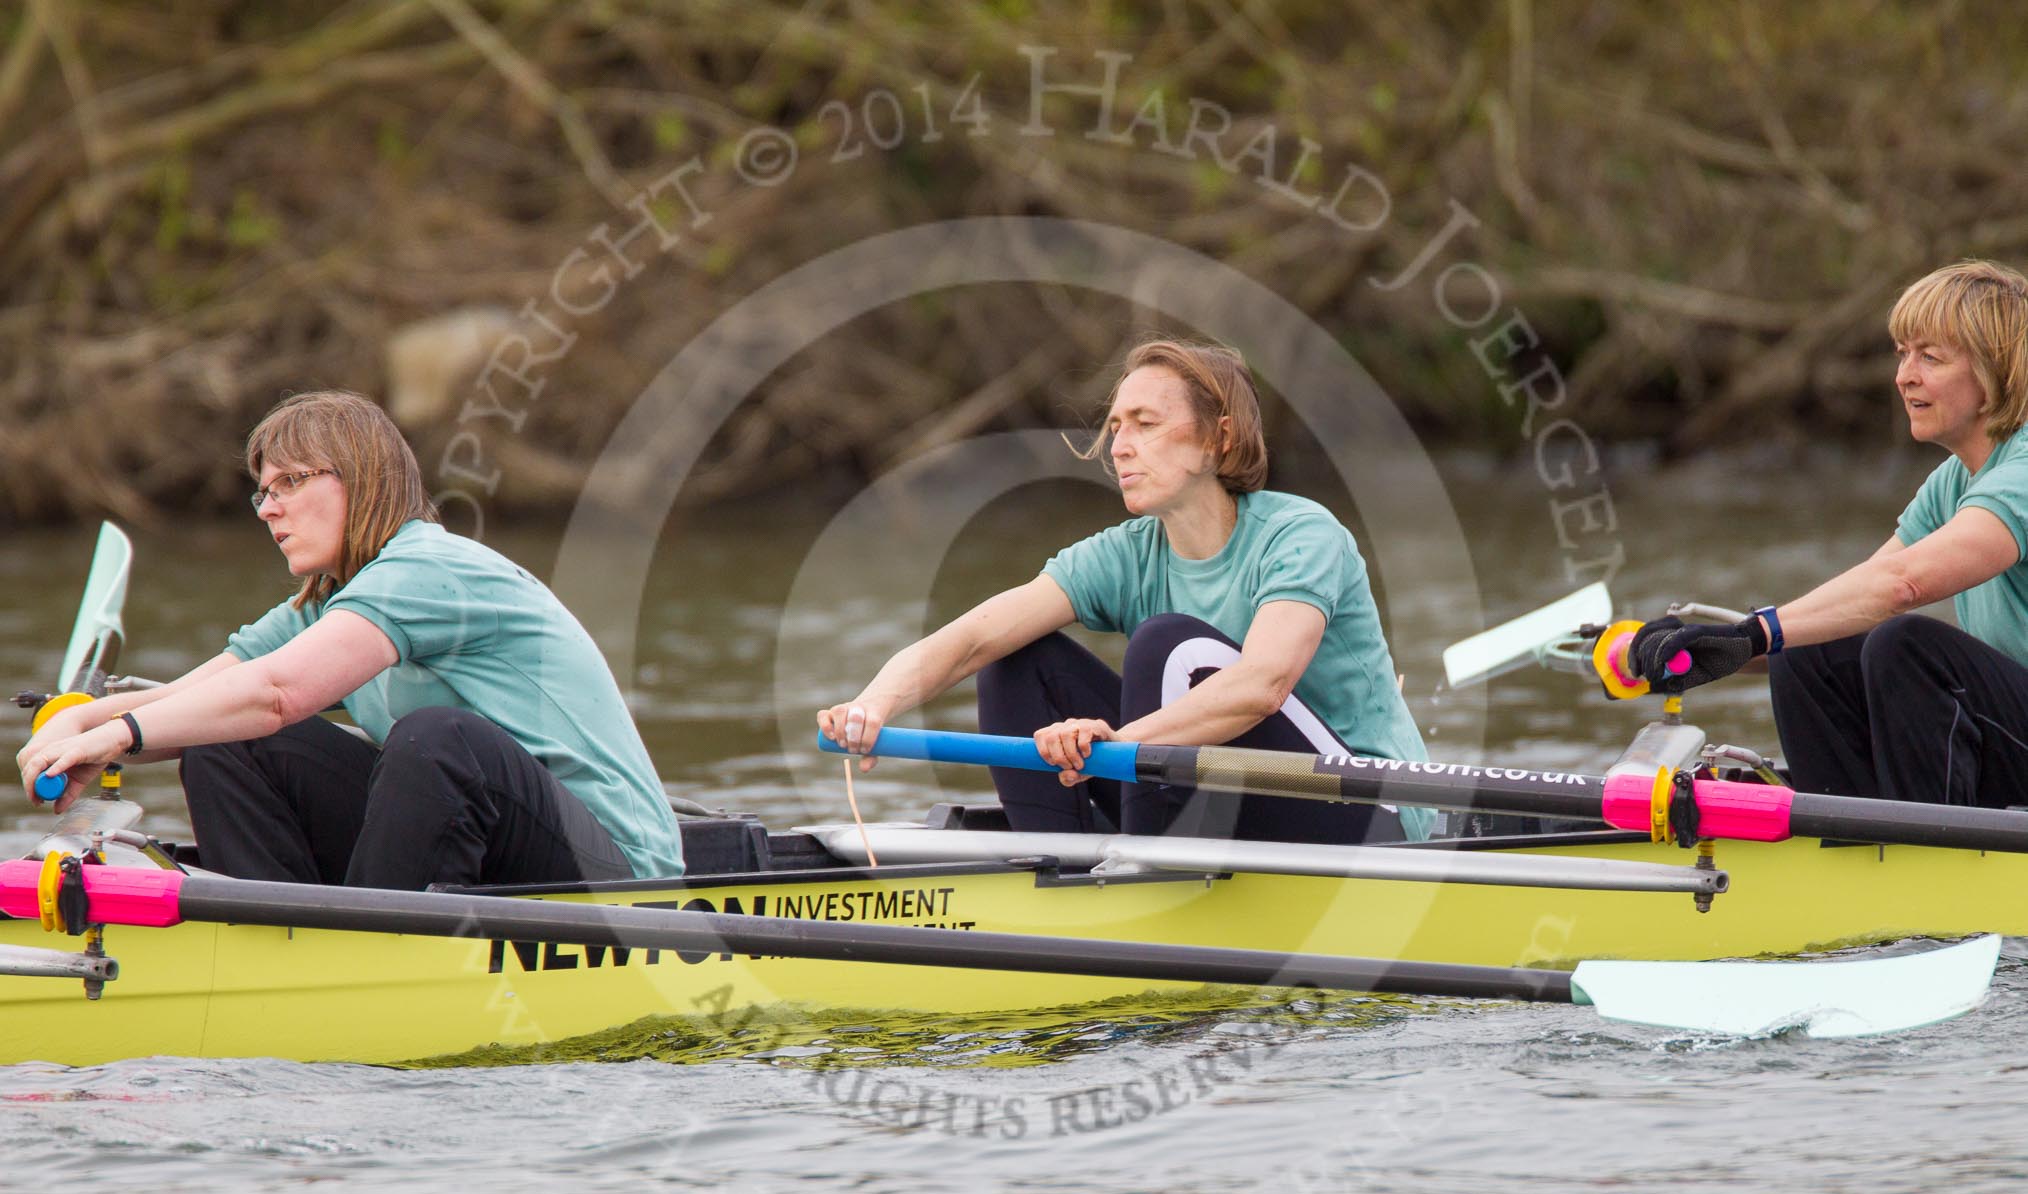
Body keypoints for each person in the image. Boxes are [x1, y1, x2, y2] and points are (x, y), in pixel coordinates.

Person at [18, 390, 684, 888]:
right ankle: (276, 950)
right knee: (223, 738)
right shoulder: (327, 603)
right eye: (262, 492)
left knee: (437, 739)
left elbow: (278, 693)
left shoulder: (430, 569)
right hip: (500, 846)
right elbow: (206, 694)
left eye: (290, 482)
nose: (269, 508)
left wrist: (113, 734)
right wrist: (79, 722)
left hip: (617, 873)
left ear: (362, 481)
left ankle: (362, 947)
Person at [819, 338, 1432, 844]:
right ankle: (1056, 867)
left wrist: (1117, 742)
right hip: (1221, 797)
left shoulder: (1300, 535)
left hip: (1368, 815)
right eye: (1115, 427)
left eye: (1146, 423)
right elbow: (975, 636)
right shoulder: (1128, 553)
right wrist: (872, 706)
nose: (1119, 446)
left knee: (1170, 646)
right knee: (1016, 659)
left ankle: (1151, 874)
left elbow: (1263, 686)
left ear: (1218, 438)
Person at [1627, 259, 2028, 808]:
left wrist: (1757, 632)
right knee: (1807, 646)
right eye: (1902, 354)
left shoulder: (2022, 474)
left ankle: (1926, 856)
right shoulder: (1955, 481)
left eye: (1930, 358)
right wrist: (1706, 646)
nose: (1903, 375)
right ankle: (1847, 839)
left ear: (1994, 374)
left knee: (1908, 647)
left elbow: (1900, 587)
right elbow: (1858, 595)